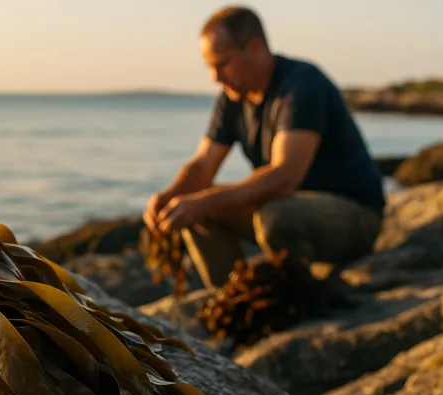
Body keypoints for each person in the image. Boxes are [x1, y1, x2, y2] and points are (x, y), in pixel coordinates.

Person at [143, 5, 385, 289]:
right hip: (292, 206)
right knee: (192, 208)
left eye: (222, 64)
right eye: (210, 66)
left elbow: (285, 175)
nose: (215, 77)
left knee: (277, 216)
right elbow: (203, 164)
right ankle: (231, 294)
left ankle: (296, 293)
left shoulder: (301, 84)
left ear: (255, 48)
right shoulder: (233, 97)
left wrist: (206, 199)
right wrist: (172, 195)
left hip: (354, 214)